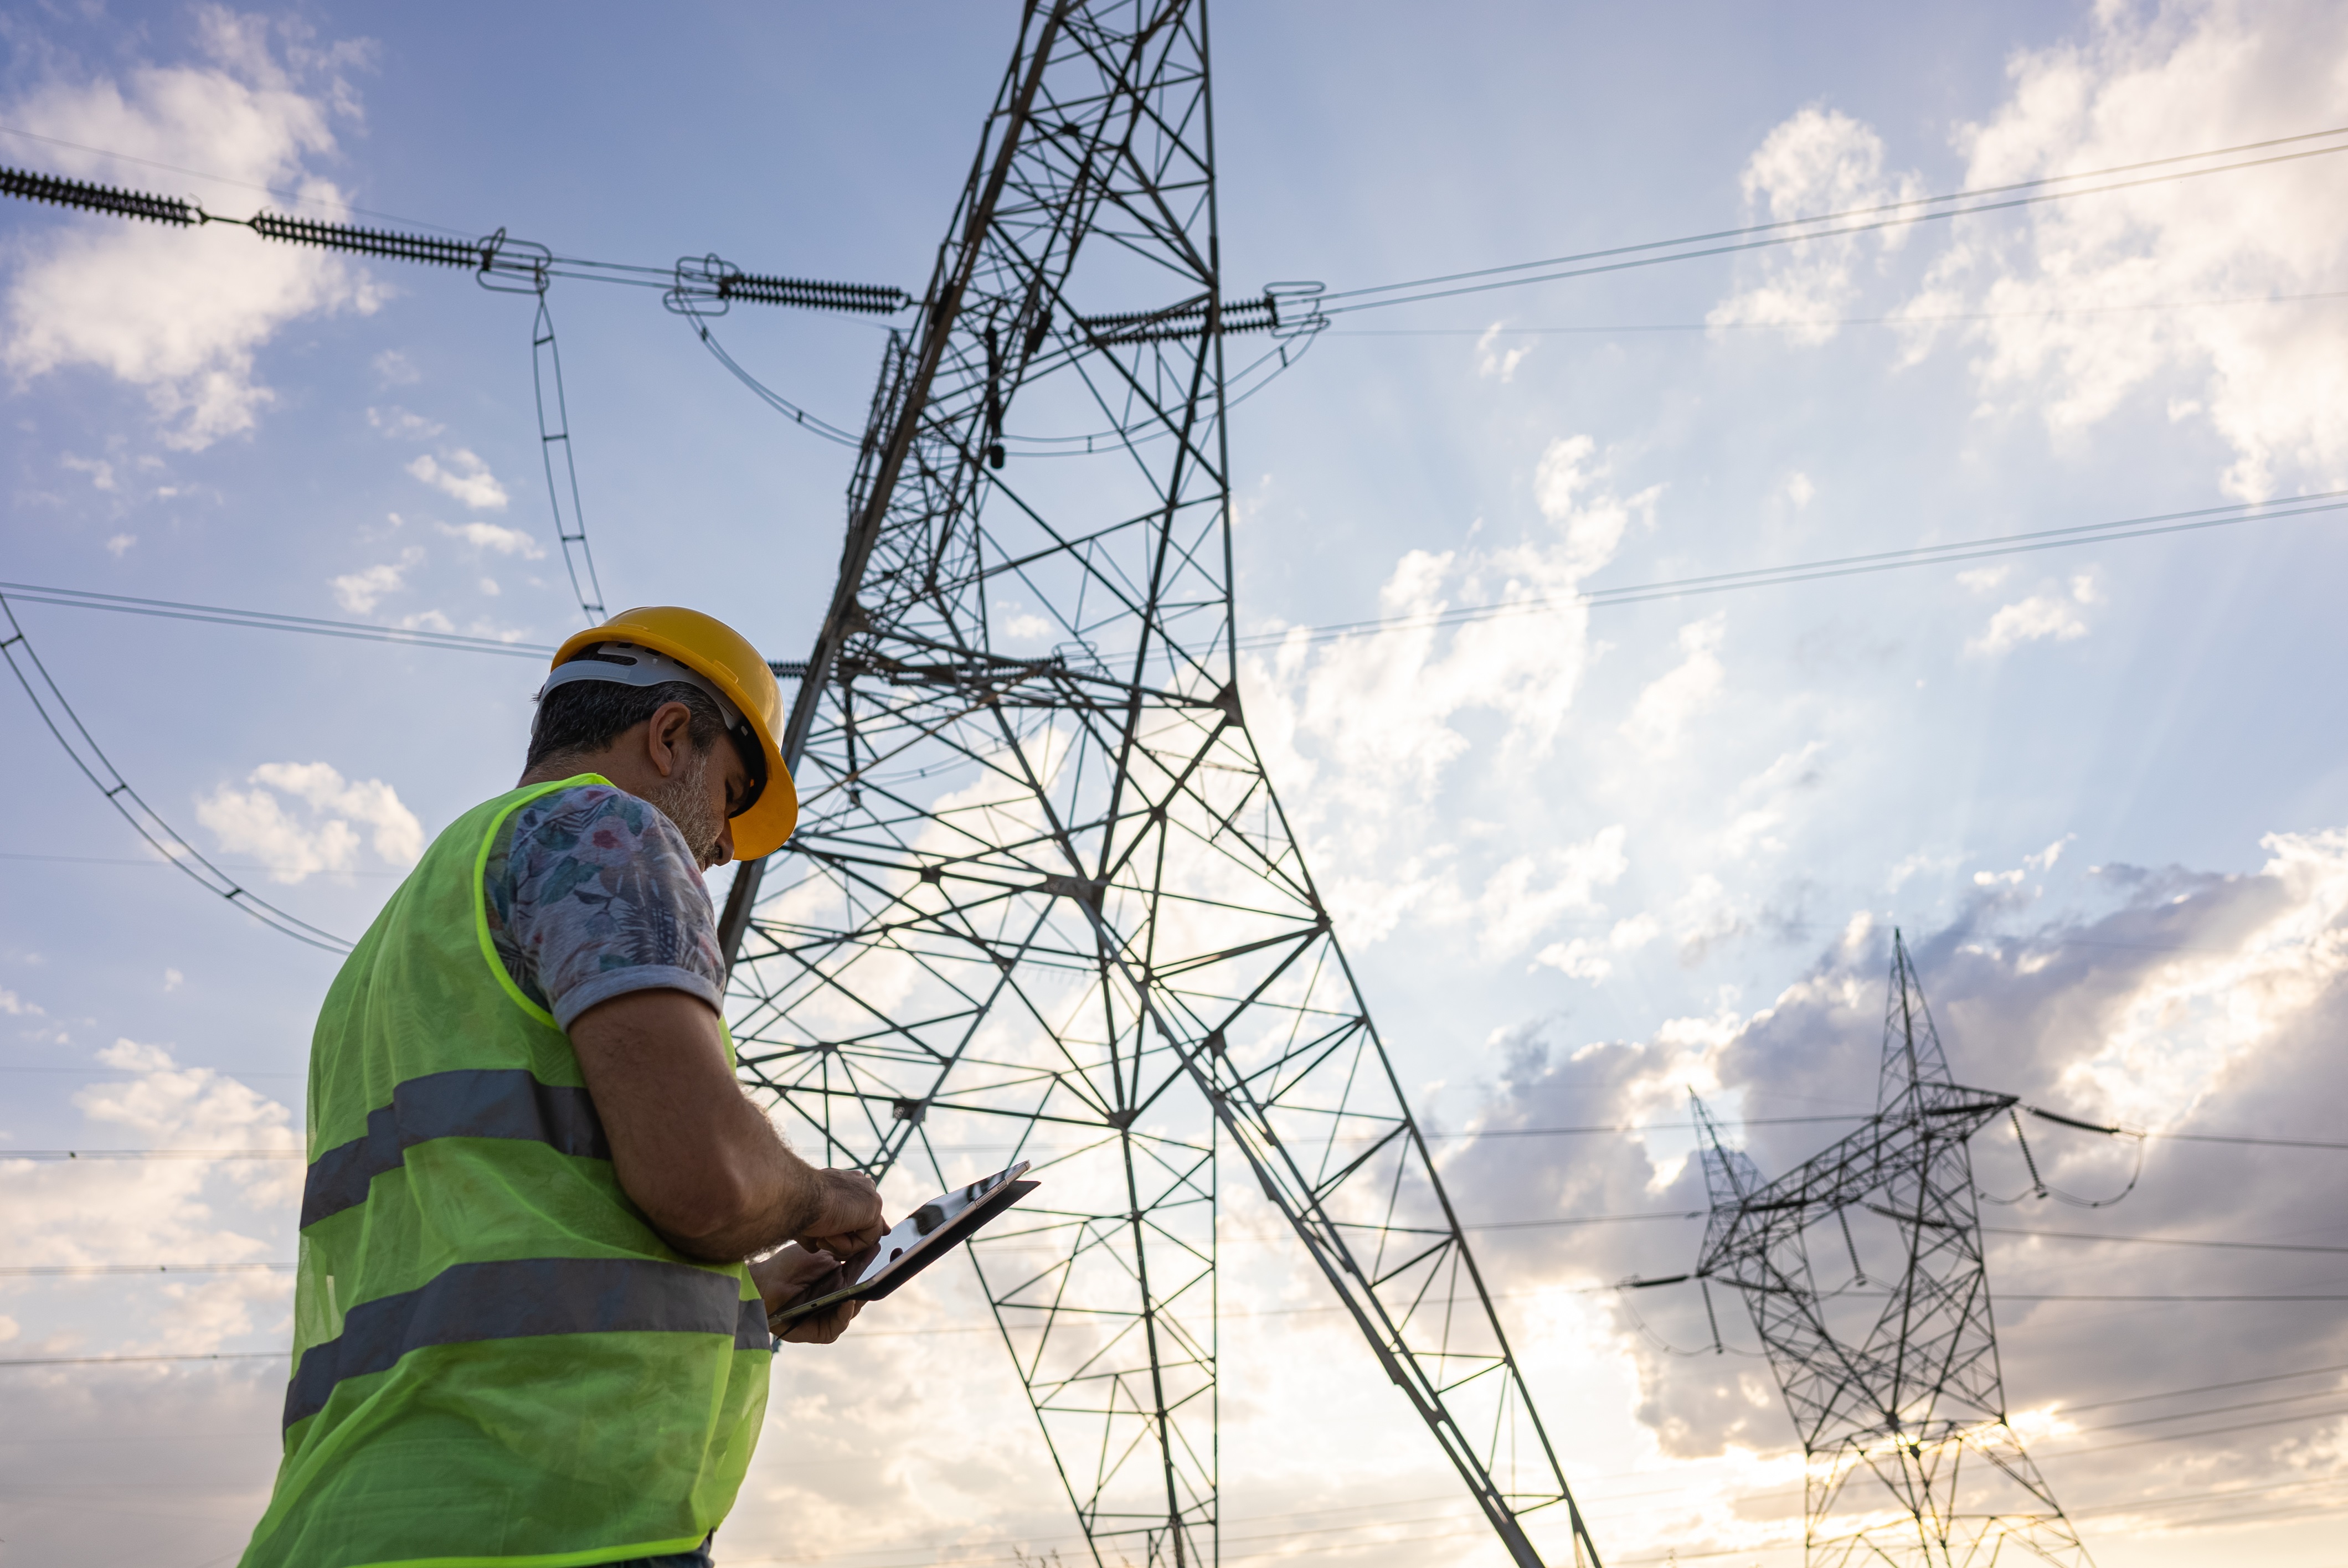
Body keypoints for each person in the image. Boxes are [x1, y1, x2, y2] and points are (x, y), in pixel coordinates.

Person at [238, 606, 887, 1568]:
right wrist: (829, 1198)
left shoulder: (401, 936)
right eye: (730, 793)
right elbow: (703, 1182)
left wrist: (747, 1298)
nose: (721, 849)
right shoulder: (605, 831)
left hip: (363, 1517)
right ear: (670, 736)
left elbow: (496, 1238)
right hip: (544, 1519)